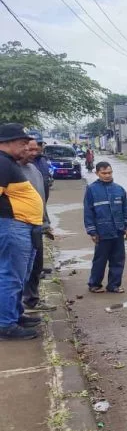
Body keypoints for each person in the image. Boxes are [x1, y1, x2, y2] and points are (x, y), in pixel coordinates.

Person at [0, 123, 44, 340]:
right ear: (6, 142)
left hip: (23, 227)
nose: (26, 146)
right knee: (11, 276)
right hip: (13, 226)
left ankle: (14, 315)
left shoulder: (8, 162)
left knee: (21, 275)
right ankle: (5, 324)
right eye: (22, 142)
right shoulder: (1, 162)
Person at [17, 139, 56, 313]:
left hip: (36, 226)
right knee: (18, 269)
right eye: (29, 149)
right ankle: (16, 307)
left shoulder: (35, 170)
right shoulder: (12, 171)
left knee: (36, 265)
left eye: (35, 149)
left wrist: (46, 223)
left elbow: (40, 200)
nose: (33, 153)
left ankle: (31, 300)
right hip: (19, 227)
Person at [83, 161, 127, 294]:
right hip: (102, 232)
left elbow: (125, 209)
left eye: (109, 172)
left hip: (118, 231)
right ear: (97, 173)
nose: (107, 175)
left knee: (118, 260)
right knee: (100, 260)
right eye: (104, 173)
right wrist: (92, 231)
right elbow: (88, 212)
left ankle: (114, 285)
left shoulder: (119, 190)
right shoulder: (92, 190)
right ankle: (94, 284)